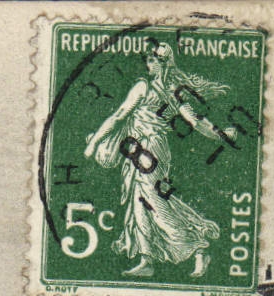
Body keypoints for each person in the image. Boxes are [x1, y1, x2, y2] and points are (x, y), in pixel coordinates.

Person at [83, 40, 230, 278]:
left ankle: (197, 249)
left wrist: (93, 142)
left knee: (154, 201)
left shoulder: (144, 87)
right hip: (146, 150)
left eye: (152, 60)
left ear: (163, 63)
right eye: (148, 61)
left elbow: (120, 115)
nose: (148, 64)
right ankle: (146, 258)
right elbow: (196, 123)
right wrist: (221, 134)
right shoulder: (174, 93)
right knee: (139, 200)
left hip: (148, 151)